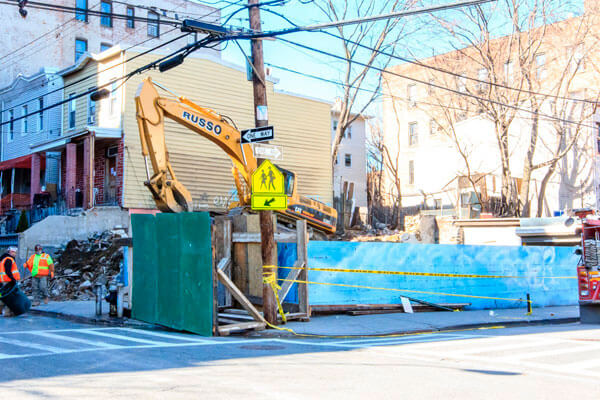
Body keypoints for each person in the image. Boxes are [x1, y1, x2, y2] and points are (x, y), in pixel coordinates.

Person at [0, 246, 20, 317]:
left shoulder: (3, 259)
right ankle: (7, 313)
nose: (15, 254)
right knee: (10, 297)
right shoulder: (9, 259)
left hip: (3, 281)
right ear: (11, 252)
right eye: (15, 252)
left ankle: (0, 309)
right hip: (8, 281)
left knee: (4, 296)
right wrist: (13, 279)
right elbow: (8, 271)